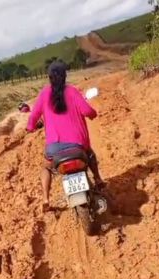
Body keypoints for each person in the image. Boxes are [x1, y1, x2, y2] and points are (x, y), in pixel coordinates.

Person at [26, 61, 104, 211]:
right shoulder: (72, 91)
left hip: (54, 148)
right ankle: (98, 179)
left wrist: (30, 127)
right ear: (65, 76)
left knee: (47, 168)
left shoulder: (44, 93)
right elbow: (88, 111)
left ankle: (46, 199)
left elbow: (33, 116)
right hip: (78, 144)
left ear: (49, 78)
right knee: (90, 154)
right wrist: (93, 114)